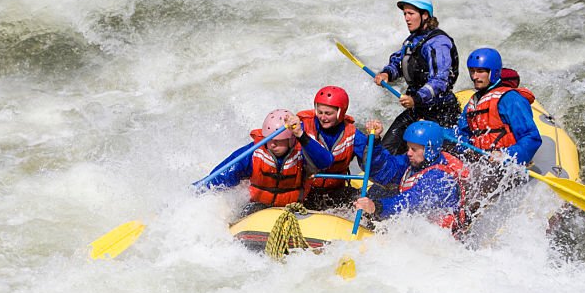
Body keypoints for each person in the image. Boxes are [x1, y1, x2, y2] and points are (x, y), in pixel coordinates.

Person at [198, 109, 334, 218]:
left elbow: (326, 162)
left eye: (279, 141)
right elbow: (221, 177)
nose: (273, 144)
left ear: (291, 140)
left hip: (295, 207)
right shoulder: (253, 153)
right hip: (259, 207)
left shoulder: (302, 151)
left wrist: (300, 134)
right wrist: (198, 190)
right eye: (270, 139)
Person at [373, 0, 460, 154]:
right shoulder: (413, 40)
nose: (406, 18)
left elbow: (440, 80)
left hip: (440, 113)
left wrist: (416, 98)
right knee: (387, 150)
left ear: (425, 15)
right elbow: (400, 62)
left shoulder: (438, 43)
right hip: (418, 109)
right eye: (405, 14)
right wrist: (387, 74)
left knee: (424, 157)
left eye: (411, 13)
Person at [353, 119, 469, 235]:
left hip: (440, 239)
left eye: (414, 149)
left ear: (430, 150)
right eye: (408, 147)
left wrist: (376, 207)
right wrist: (376, 141)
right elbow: (383, 170)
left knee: (380, 198)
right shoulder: (414, 163)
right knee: (376, 190)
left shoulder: (441, 178)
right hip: (416, 231)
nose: (408, 153)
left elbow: (410, 203)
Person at [454, 47, 542, 166]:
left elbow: (532, 137)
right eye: (472, 71)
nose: (474, 76)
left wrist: (506, 155)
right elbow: (461, 134)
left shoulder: (510, 99)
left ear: (493, 72)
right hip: (482, 164)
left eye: (480, 71)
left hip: (508, 165)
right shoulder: (474, 101)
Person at [297, 86, 376, 210]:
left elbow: (370, 164)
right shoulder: (302, 128)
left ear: (340, 113)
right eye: (320, 112)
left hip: (336, 191)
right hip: (306, 191)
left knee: (366, 203)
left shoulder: (353, 134)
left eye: (328, 113)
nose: (323, 117)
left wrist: (375, 140)